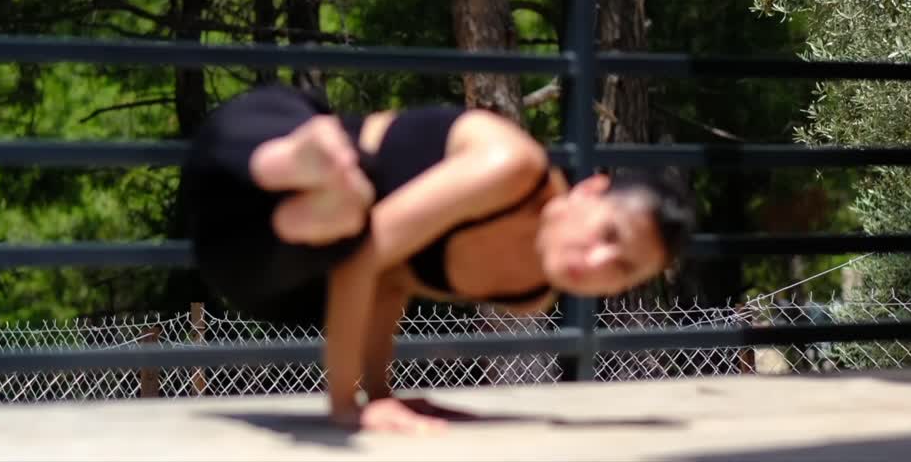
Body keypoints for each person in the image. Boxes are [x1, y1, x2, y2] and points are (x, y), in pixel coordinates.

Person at [179, 84, 694, 433]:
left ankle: (312, 208)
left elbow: (389, 279)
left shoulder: (530, 293)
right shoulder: (511, 167)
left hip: (251, 249)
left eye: (621, 269)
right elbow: (369, 254)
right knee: (339, 217)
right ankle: (305, 166)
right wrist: (346, 408)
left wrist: (381, 393)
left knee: (287, 262)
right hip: (244, 151)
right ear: (589, 191)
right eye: (608, 233)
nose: (597, 261)